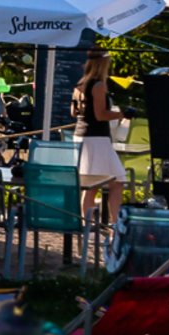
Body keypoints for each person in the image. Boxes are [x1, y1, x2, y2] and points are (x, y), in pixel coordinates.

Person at [71, 48, 128, 227]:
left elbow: (74, 112)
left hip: (83, 136)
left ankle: (109, 225)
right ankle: (94, 226)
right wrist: (122, 114)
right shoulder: (98, 85)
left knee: (116, 180)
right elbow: (100, 115)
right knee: (97, 184)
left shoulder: (80, 84)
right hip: (96, 139)